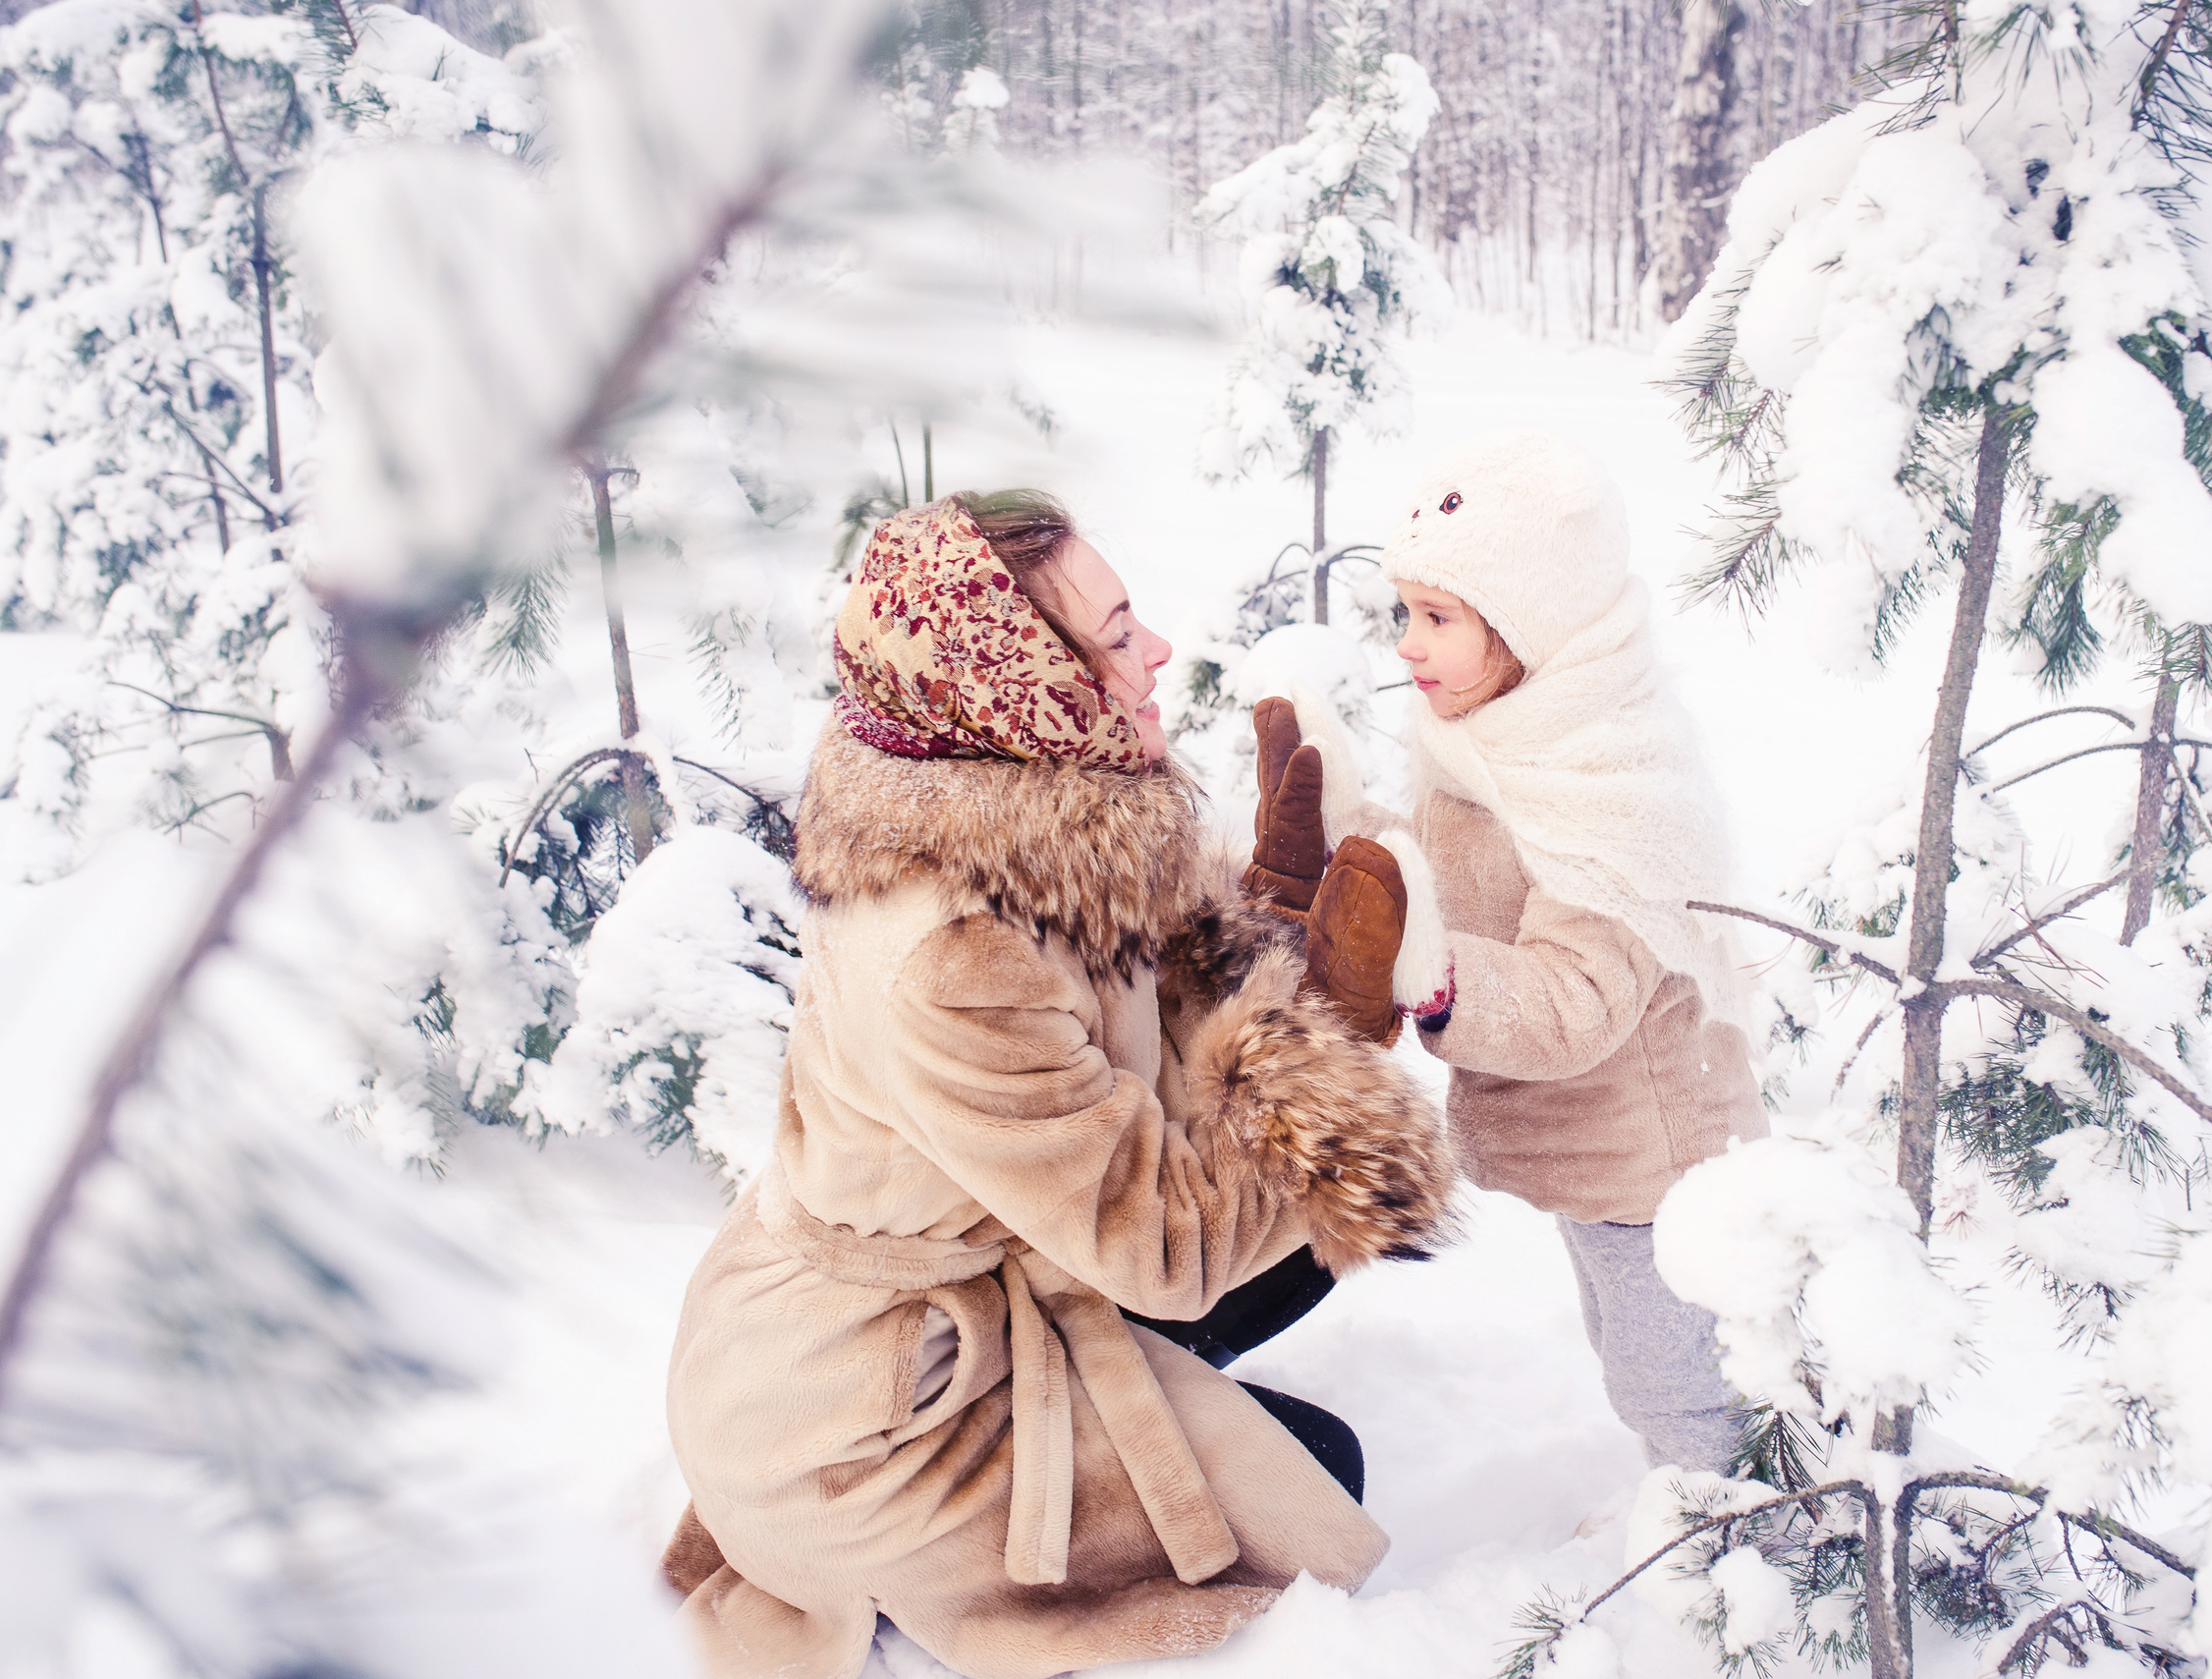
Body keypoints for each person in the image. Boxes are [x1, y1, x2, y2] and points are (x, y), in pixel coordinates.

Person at [660, 491, 1456, 1679]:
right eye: (1118, 629)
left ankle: (1098, 1415)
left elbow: (1139, 1011)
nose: (1157, 652)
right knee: (1314, 1468)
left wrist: (1260, 940)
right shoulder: (952, 953)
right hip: (862, 1415)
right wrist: (1324, 1032)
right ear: (1021, 677)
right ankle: (900, 1597)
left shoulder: (1027, 813)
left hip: (973, 1281)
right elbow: (1168, 1248)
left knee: (1299, 1241)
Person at [1255, 430, 1765, 1476]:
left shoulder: (1614, 788)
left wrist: (1425, 964)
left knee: (1676, 1379)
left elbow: (1574, 1002)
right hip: (1589, 1150)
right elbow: (1445, 872)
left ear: (1534, 625)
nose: (1407, 642)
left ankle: (1731, 1539)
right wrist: (1340, 817)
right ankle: (1713, 1501)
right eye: (1405, 612)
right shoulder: (1499, 737)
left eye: (1438, 617)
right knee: (1635, 1345)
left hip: (1654, 1162)